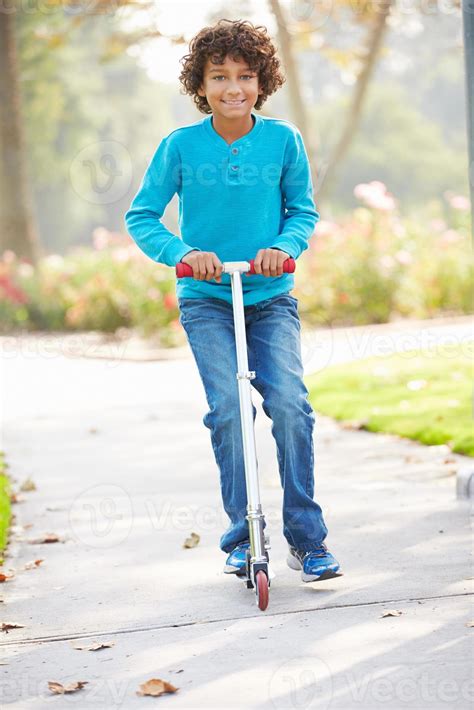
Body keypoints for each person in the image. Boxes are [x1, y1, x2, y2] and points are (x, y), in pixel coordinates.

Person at [125, 19, 342, 583]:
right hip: (207, 300)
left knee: (291, 406)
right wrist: (183, 252)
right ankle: (243, 538)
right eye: (219, 76)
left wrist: (283, 247)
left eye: (245, 76)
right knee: (228, 412)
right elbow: (142, 216)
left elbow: (303, 212)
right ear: (201, 83)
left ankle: (308, 539)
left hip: (269, 297)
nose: (233, 88)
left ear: (262, 81)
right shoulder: (180, 146)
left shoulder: (283, 141)